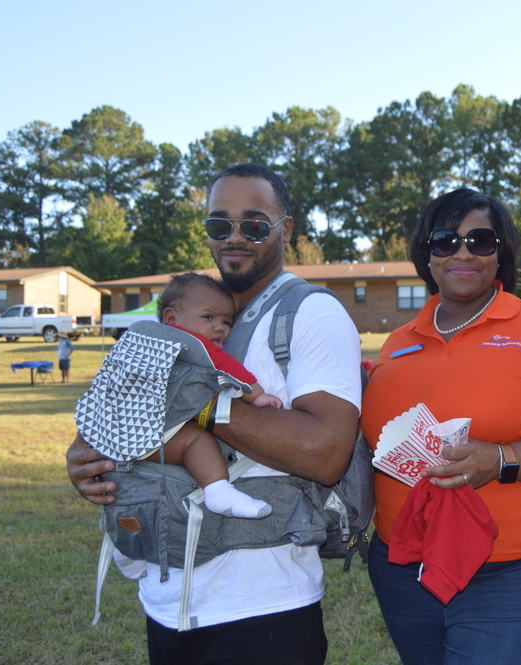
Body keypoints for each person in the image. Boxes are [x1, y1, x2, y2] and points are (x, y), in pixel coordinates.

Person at [66, 163, 362, 665]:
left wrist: (194, 403)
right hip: (166, 600)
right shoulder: (195, 311)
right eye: (218, 224)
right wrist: (87, 458)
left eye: (254, 223)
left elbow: (326, 452)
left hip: (263, 608)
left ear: (285, 228)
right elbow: (118, 409)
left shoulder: (312, 313)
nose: (235, 237)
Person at [360, 188, 521, 665]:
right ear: (427, 254)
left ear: (501, 254)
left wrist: (500, 460)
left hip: (518, 569)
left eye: (481, 241)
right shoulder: (398, 343)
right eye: (446, 240)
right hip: (404, 567)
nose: (462, 252)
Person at [80, 271, 282, 520]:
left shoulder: (136, 339)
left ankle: (127, 551)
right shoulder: (189, 342)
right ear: (171, 318)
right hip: (150, 435)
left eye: (227, 322)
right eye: (208, 317)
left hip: (110, 435)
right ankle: (218, 490)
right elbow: (224, 364)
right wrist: (257, 396)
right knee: (196, 441)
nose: (219, 327)